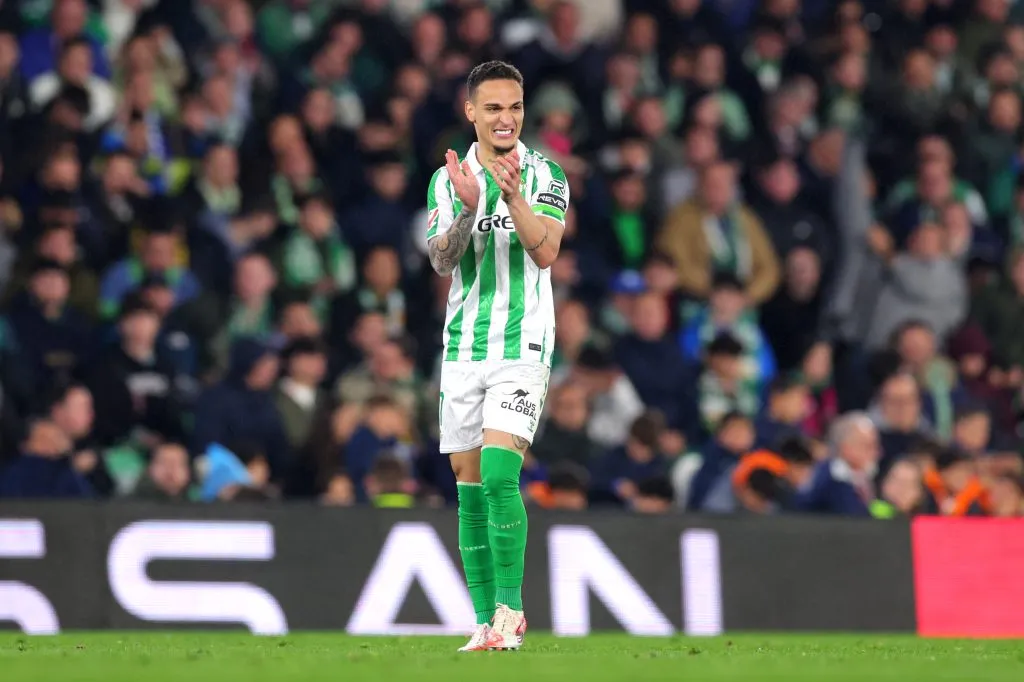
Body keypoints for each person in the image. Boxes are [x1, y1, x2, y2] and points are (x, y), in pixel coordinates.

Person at [425, 61, 569, 652]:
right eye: (492, 108)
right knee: (468, 482)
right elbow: (441, 260)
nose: (505, 118)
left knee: (501, 472)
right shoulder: (447, 178)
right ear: (471, 113)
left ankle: (510, 610)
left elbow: (546, 252)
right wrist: (464, 208)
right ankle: (485, 623)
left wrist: (512, 198)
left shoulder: (545, 173)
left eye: (513, 107)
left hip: (523, 342)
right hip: (463, 346)